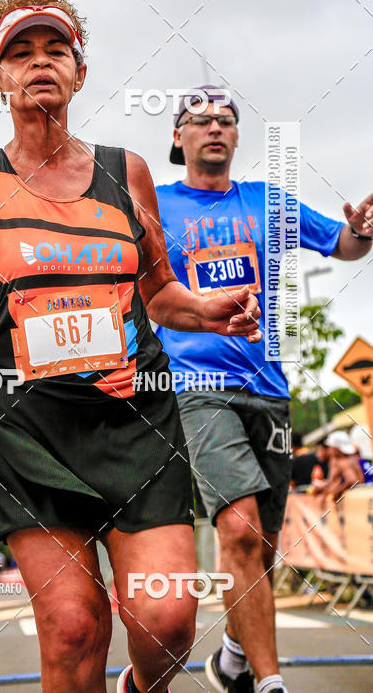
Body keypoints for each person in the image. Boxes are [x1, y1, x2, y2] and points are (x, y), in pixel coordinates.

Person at [0, 0, 262, 693]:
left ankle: (139, 687)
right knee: (74, 625)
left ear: (81, 71)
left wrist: (208, 311)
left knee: (168, 619)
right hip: (30, 429)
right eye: (19, 53)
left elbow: (160, 292)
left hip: (134, 415)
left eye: (57, 48)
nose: (40, 62)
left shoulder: (126, 172)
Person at [156, 87, 373, 693]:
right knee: (241, 530)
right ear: (178, 138)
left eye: (226, 120)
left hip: (268, 391)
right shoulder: (156, 208)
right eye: (199, 122)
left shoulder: (266, 202)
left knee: (263, 544)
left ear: (236, 136)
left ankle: (231, 657)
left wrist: (364, 231)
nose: (215, 129)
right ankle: (269, 683)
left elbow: (345, 245)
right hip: (196, 386)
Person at [319, 430, 364, 498]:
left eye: (330, 447)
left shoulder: (344, 462)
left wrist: (338, 491)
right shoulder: (354, 458)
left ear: (336, 448)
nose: (329, 450)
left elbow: (352, 480)